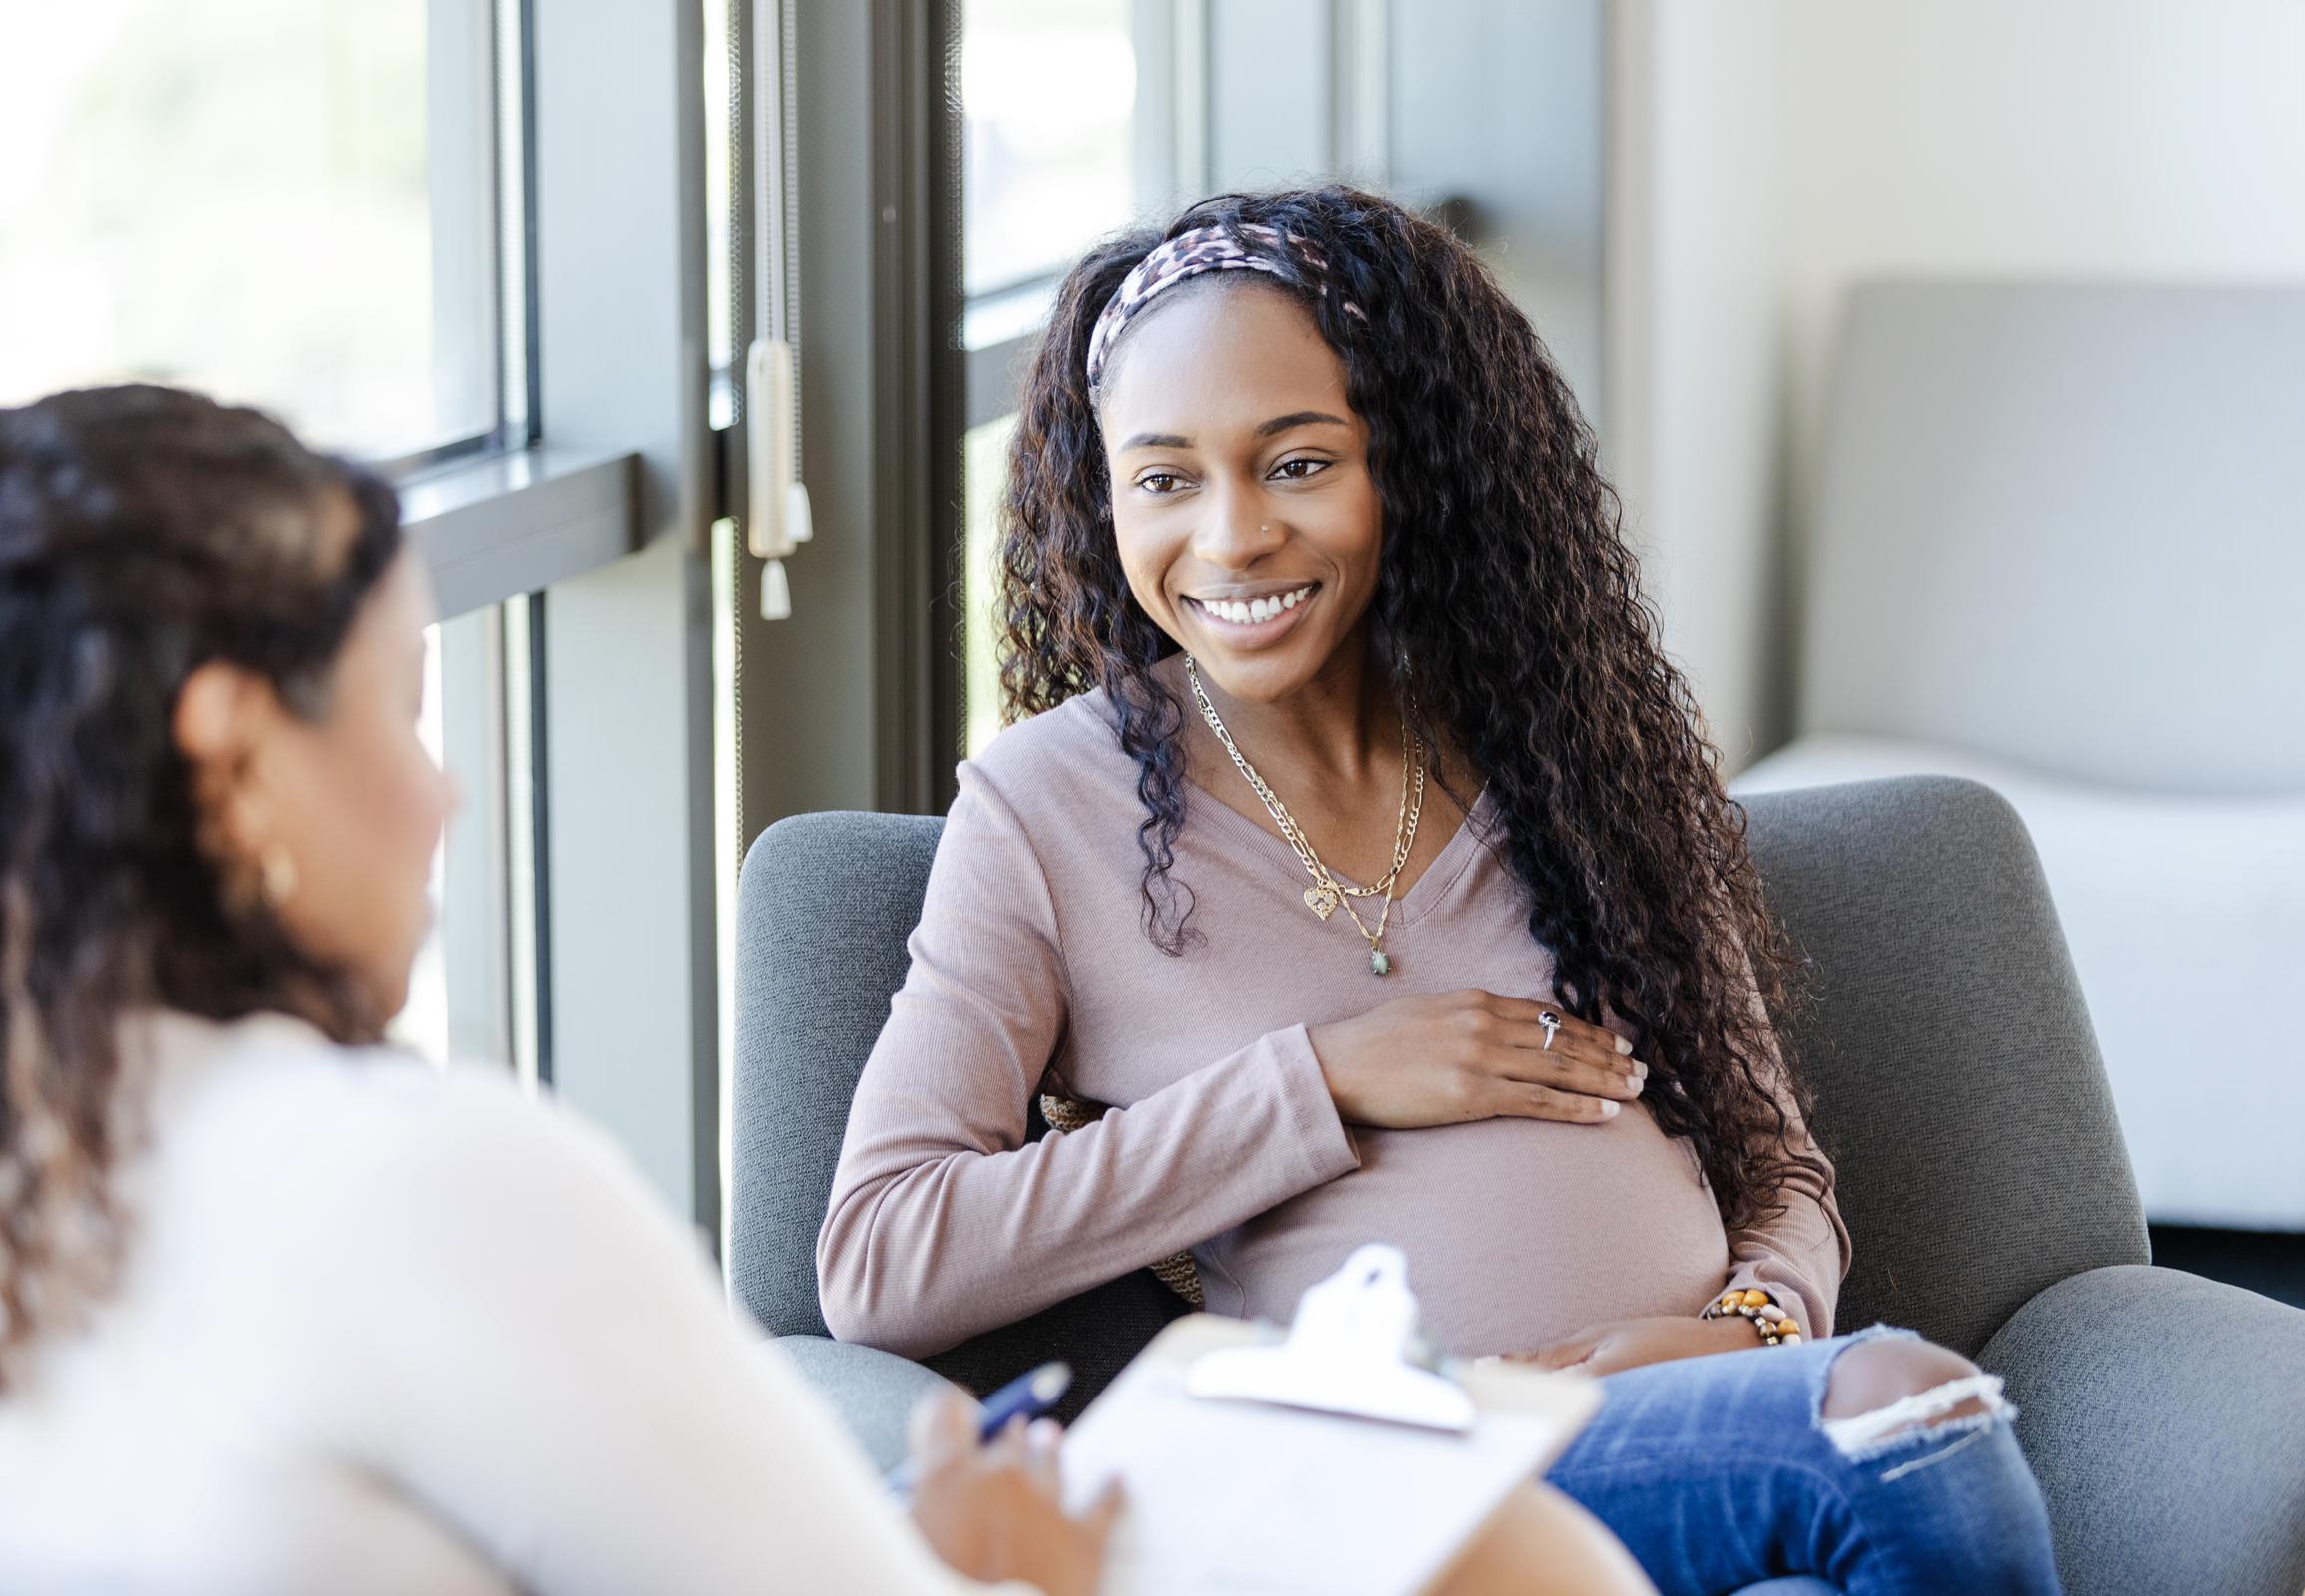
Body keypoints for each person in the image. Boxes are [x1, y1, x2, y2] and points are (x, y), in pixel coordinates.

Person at [0, 382, 1644, 1596]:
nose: (443, 801)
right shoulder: (410, 1181)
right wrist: (996, 1567)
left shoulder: (65, 1173)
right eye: (395, 715)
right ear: (232, 755)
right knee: (1514, 1552)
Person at [818, 187, 2067, 1594]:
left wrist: (1752, 1331)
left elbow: (1777, 1164)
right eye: (1164, 478)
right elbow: (883, 1252)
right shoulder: (1044, 812)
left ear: (1406, 465)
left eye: (1296, 464)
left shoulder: (1570, 756)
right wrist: (1321, 1082)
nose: (1230, 539)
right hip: (1381, 1474)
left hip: (1687, 1431)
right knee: (1907, 1413)